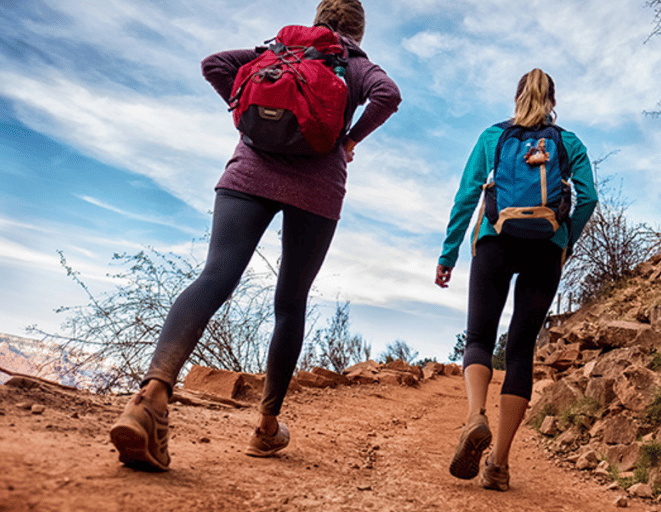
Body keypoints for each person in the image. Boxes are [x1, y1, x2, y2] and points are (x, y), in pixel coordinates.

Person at [109, 0, 401, 471]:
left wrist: (245, 111)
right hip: (318, 188)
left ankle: (151, 396)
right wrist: (349, 140)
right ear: (359, 31)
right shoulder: (357, 64)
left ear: (317, 21)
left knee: (215, 277)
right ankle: (266, 428)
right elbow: (388, 95)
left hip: (248, 173)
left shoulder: (280, 49)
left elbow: (215, 65)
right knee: (290, 304)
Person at [435, 69, 596, 491]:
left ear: (516, 97)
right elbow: (588, 197)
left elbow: (467, 194)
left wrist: (449, 253)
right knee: (521, 348)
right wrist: (565, 240)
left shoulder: (493, 137)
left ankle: (474, 418)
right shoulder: (569, 142)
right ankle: (499, 464)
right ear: (553, 101)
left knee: (479, 339)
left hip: (495, 240)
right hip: (546, 246)